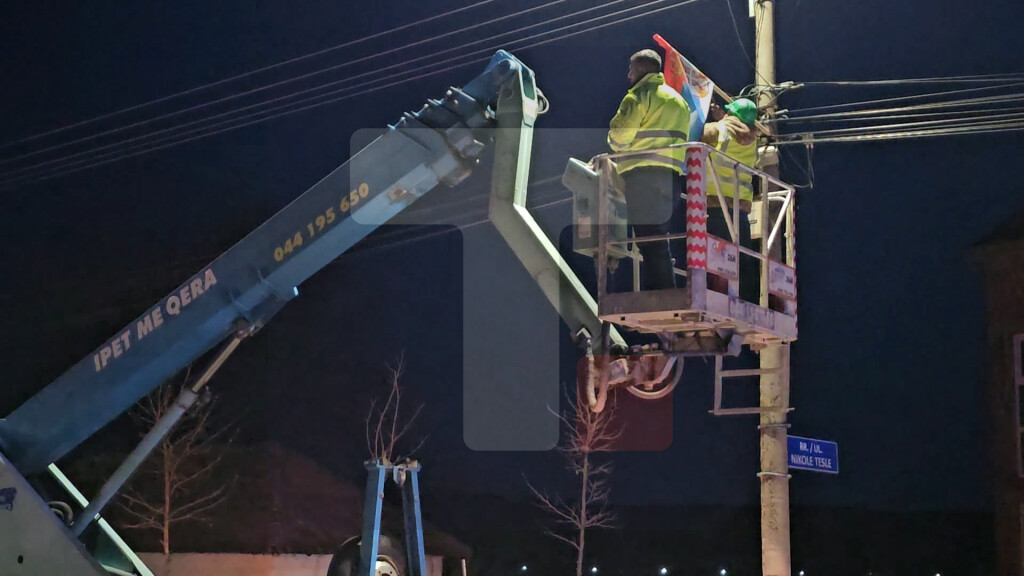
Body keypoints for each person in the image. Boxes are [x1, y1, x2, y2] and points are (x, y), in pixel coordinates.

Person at [607, 49, 691, 291]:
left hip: (642, 174)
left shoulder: (638, 96)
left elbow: (619, 137)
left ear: (642, 69)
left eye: (631, 69)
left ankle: (663, 291)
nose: (628, 75)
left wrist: (614, 142)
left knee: (649, 239)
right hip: (671, 178)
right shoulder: (679, 101)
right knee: (656, 235)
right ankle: (663, 289)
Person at [701, 97, 759, 302]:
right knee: (742, 255)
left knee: (716, 257)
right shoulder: (752, 139)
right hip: (740, 207)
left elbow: (696, 132)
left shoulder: (719, 130)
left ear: (732, 115)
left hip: (717, 205)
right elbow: (736, 133)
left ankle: (714, 296)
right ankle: (748, 299)